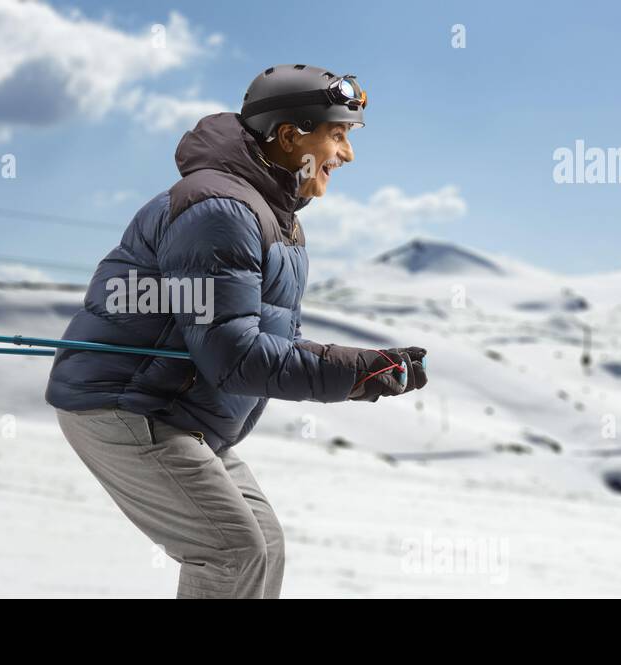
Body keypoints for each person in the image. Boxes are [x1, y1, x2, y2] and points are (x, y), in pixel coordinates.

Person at [45, 64, 428, 598]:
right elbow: (235, 355)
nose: (347, 154)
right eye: (337, 135)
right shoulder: (218, 211)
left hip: (180, 412)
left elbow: (260, 340)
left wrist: (362, 371)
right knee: (230, 552)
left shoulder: (276, 217)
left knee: (263, 543)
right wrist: (357, 372)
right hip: (127, 407)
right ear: (291, 136)